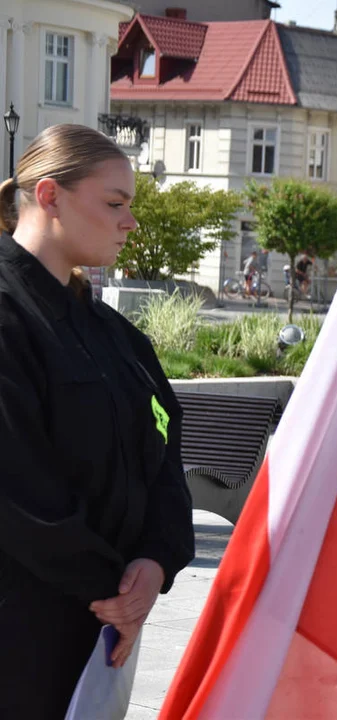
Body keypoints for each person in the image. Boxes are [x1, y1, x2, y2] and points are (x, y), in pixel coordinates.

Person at [0, 124, 195, 717]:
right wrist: (112, 586)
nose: (129, 222)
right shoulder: (9, 315)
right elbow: (15, 483)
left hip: (98, 622)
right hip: (21, 622)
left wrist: (156, 559)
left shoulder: (114, 335)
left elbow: (164, 443)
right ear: (50, 196)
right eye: (114, 204)